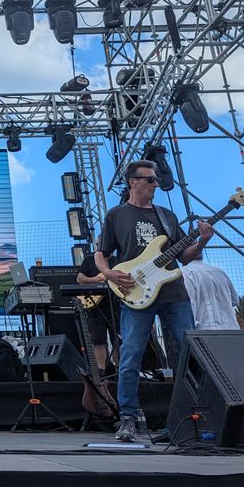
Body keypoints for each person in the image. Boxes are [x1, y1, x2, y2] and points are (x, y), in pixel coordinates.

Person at [95, 160, 211, 442]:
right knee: (131, 355)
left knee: (189, 353)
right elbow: (102, 253)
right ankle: (128, 418)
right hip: (135, 292)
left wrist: (203, 241)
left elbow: (183, 256)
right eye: (149, 180)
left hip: (174, 294)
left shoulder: (167, 216)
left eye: (156, 179)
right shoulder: (116, 215)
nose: (156, 184)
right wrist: (109, 274)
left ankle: (197, 415)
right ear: (132, 182)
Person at [76, 254, 119, 372]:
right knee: (98, 340)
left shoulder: (118, 260)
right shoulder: (90, 260)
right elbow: (80, 279)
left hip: (115, 305)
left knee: (117, 340)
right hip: (95, 306)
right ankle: (101, 371)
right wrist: (94, 280)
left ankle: (119, 369)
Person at [181, 252, 240, 330]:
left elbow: (191, 306)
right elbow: (235, 301)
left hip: (206, 330)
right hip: (232, 328)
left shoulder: (185, 272)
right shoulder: (220, 272)